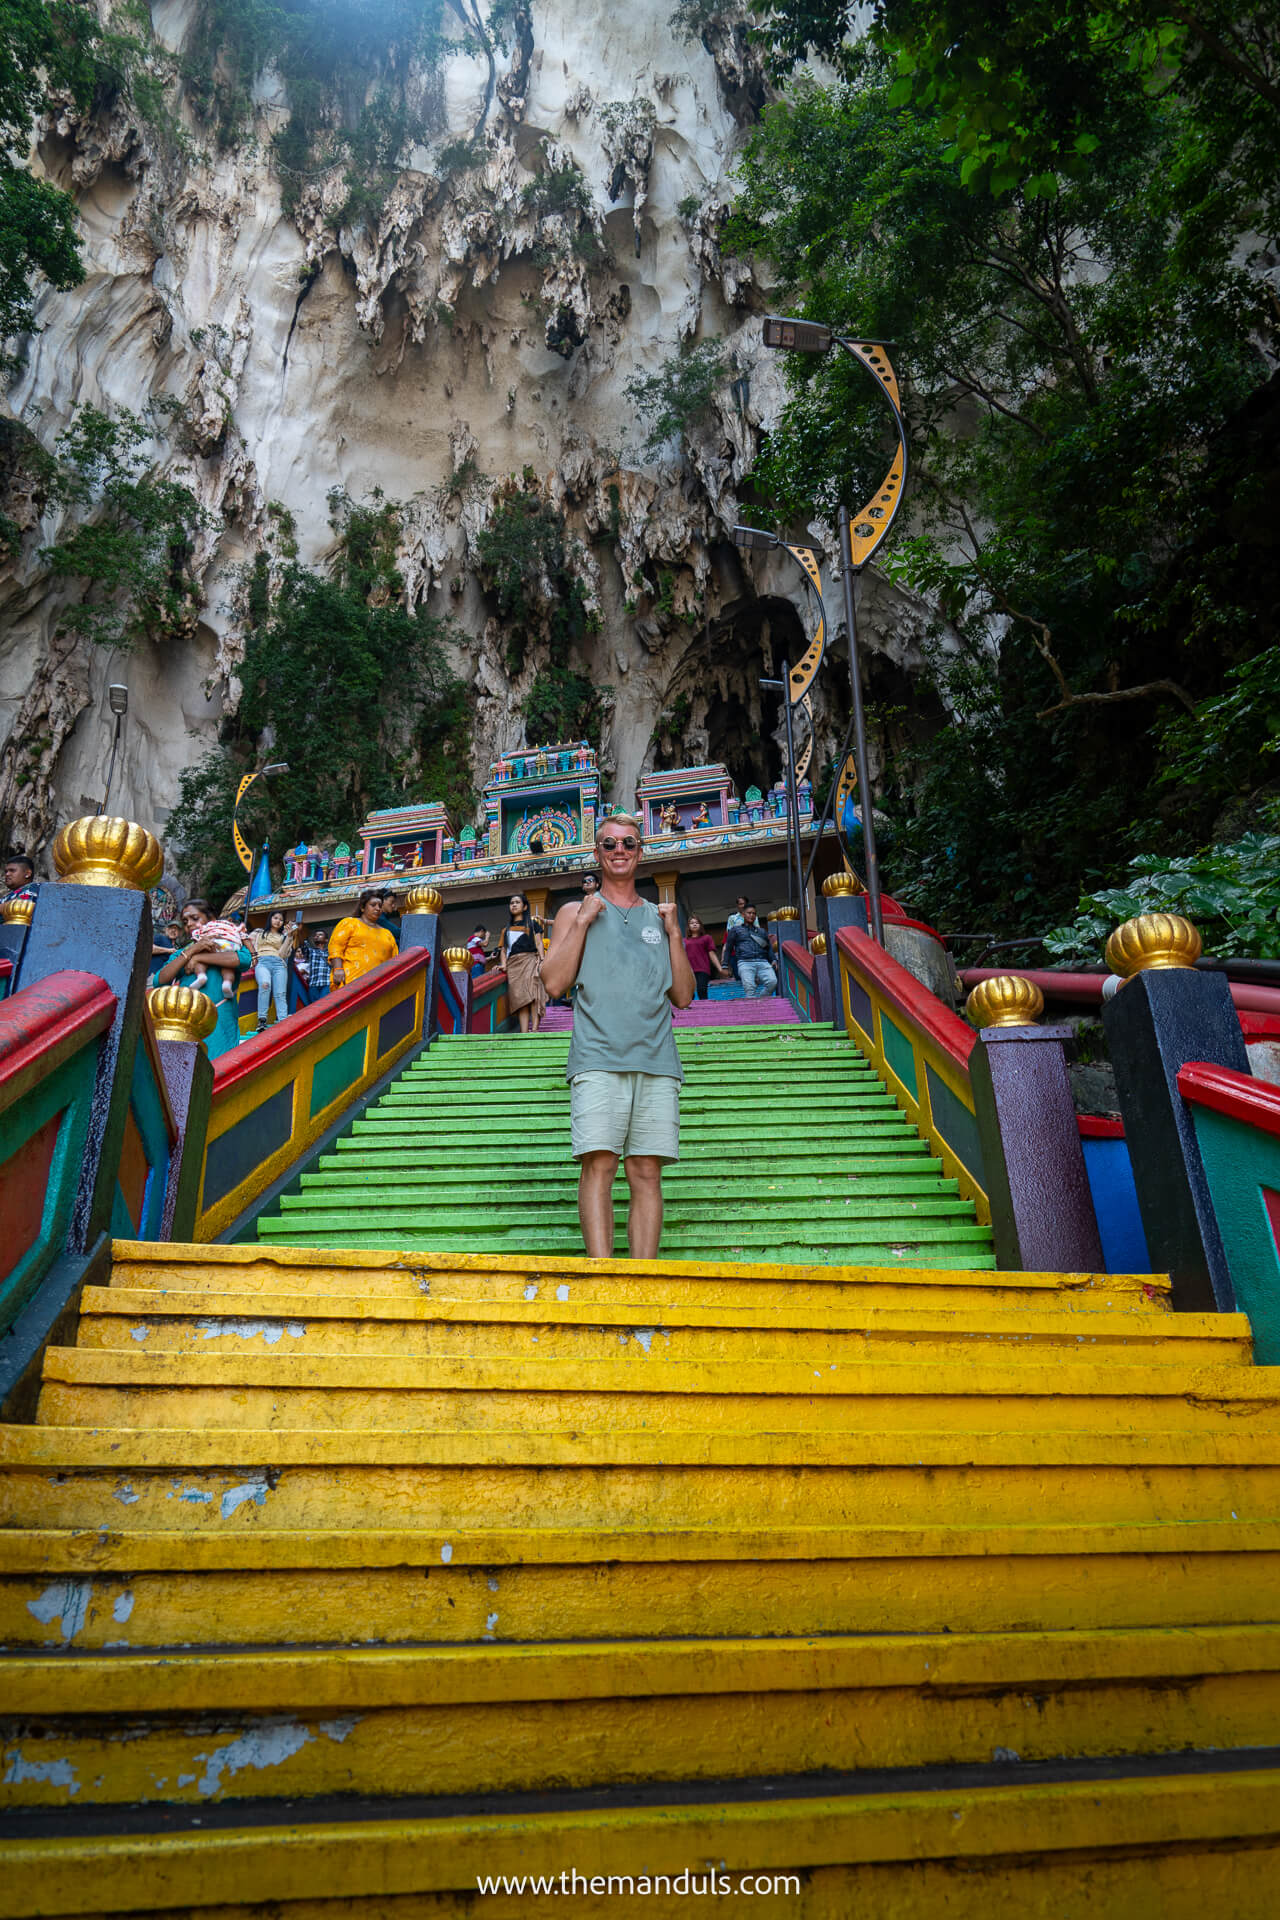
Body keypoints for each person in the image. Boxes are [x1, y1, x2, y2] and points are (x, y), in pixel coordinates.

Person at [542, 812, 695, 1259]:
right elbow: (554, 983)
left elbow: (684, 996)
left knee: (646, 1171)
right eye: (609, 844)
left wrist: (673, 933)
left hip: (656, 1060)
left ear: (640, 853)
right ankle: (601, 1276)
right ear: (597, 853)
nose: (619, 851)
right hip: (597, 1058)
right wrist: (584, 921)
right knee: (600, 1164)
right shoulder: (573, 912)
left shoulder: (660, 917)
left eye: (628, 843)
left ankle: (642, 1279)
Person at [150, 898, 251, 1059]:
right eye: (185, 921)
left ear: (212, 919)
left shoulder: (231, 941)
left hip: (219, 1018)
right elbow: (160, 981)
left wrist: (199, 958)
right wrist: (192, 951)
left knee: (218, 1063)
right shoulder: (184, 951)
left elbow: (243, 960)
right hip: (185, 1018)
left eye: (194, 918)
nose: (189, 924)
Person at [329, 890, 398, 989]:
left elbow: (394, 960)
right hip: (350, 983)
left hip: (378, 987)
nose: (377, 908)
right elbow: (336, 946)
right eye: (373, 905)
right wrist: (338, 969)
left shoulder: (387, 934)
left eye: (380, 906)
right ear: (362, 907)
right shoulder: (350, 923)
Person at [501, 891, 546, 1034]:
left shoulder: (533, 924)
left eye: (517, 902)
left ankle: (535, 1029)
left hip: (530, 960)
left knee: (533, 995)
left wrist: (542, 960)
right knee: (521, 1000)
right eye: (512, 903)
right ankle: (524, 1032)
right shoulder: (506, 930)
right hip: (513, 965)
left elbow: (539, 943)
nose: (514, 905)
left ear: (525, 907)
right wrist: (503, 965)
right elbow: (504, 950)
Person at [249, 909, 297, 1033]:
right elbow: (251, 947)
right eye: (275, 918)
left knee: (280, 993)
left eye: (281, 920)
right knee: (265, 985)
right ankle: (262, 1020)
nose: (278, 921)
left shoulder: (284, 936)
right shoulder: (259, 933)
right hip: (262, 962)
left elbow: (283, 954)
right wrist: (252, 960)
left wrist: (289, 936)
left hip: (279, 964)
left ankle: (282, 1020)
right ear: (270, 919)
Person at [723, 904, 777, 998]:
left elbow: (768, 948)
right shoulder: (735, 930)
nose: (751, 915)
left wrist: (773, 959)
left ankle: (760, 1000)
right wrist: (725, 965)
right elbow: (728, 948)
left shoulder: (762, 931)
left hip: (762, 961)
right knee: (750, 988)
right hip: (745, 962)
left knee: (772, 982)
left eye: (754, 913)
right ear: (743, 914)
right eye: (749, 913)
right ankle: (754, 1005)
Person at [683, 913, 727, 1000]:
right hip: (688, 971)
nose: (694, 924)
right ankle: (691, 1009)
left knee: (702, 990)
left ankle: (705, 1007)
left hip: (702, 969)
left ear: (700, 925)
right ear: (688, 926)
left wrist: (720, 968)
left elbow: (712, 954)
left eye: (697, 923)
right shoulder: (684, 941)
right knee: (689, 994)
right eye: (692, 923)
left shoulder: (706, 938)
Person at [300, 927, 332, 1001]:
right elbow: (302, 942)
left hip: (327, 983)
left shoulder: (330, 952)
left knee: (324, 1004)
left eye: (320, 935)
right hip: (313, 985)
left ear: (326, 940)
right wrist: (300, 930)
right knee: (314, 1006)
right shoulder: (310, 951)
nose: (317, 936)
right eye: (315, 935)